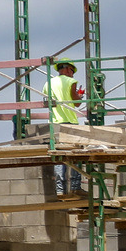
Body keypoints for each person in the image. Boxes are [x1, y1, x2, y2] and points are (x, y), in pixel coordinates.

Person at [43, 58, 88, 200]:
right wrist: (80, 95)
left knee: (59, 157)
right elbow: (77, 103)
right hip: (69, 123)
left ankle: (60, 190)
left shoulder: (47, 83)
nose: (72, 75)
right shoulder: (70, 82)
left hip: (54, 124)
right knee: (76, 154)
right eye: (72, 72)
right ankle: (75, 187)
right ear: (68, 69)